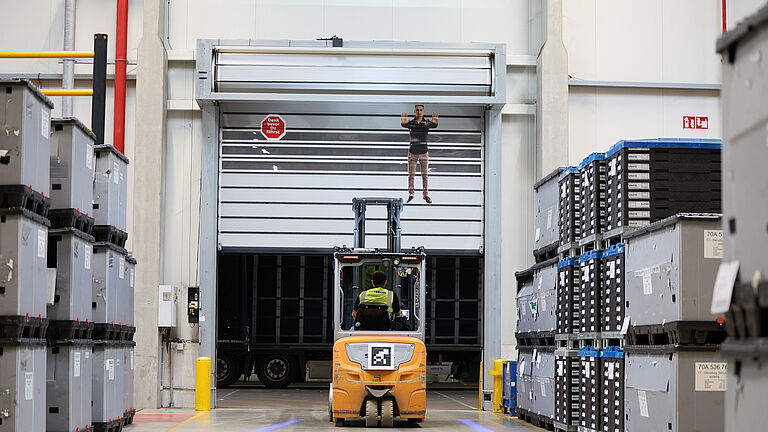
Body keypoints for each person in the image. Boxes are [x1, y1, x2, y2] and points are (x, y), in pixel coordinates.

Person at [401, 105, 438, 203]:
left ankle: (425, 195)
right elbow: (405, 125)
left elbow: (433, 125)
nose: (419, 112)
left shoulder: (426, 123)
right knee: (411, 174)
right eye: (417, 110)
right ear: (414, 111)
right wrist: (403, 122)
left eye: (420, 110)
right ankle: (411, 193)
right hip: (412, 151)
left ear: (423, 111)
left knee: (425, 175)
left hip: (423, 152)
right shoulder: (412, 123)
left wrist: (435, 121)